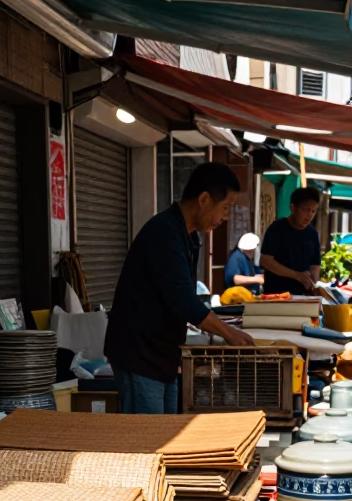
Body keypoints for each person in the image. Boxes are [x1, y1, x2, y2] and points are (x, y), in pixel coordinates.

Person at [105, 163, 255, 414]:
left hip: (162, 354)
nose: (225, 217)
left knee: (165, 431)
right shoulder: (164, 233)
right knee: (147, 439)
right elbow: (182, 300)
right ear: (204, 199)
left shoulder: (189, 235)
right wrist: (228, 333)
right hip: (139, 353)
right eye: (225, 208)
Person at [259, 186, 322, 295]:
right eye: (305, 209)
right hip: (276, 295)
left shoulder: (313, 234)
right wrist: (296, 275)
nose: (310, 215)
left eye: (313, 211)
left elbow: (315, 266)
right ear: (293, 208)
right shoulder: (277, 229)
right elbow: (265, 260)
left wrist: (313, 283)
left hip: (302, 296)